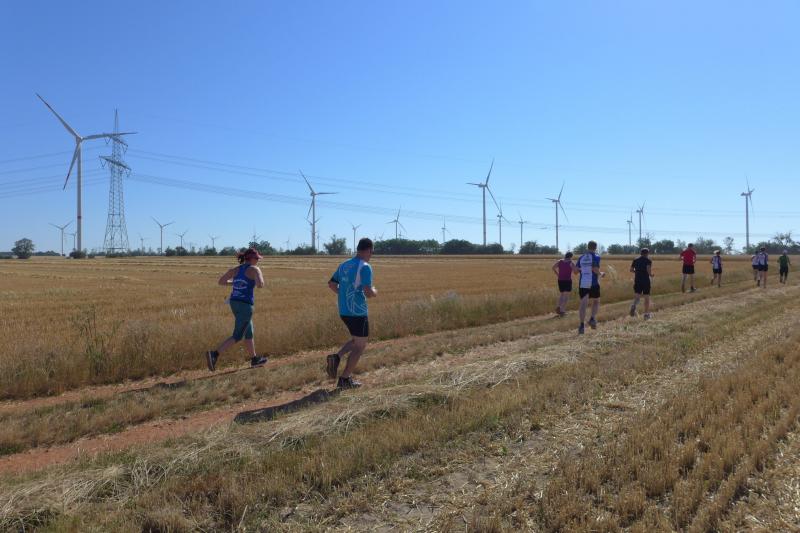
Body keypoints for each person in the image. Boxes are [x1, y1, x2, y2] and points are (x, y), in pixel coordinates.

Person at [326, 238, 377, 389]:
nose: (371, 255)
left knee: (356, 339)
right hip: (358, 312)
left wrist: (344, 295)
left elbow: (331, 284)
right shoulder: (365, 267)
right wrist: (374, 292)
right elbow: (368, 292)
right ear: (368, 250)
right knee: (360, 346)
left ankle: (336, 357)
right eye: (372, 252)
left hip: (343, 310)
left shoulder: (344, 265)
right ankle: (344, 379)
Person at [206, 248, 268, 371]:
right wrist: (257, 276)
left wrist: (235, 283)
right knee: (238, 335)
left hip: (234, 303)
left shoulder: (236, 269)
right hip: (245, 306)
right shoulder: (254, 269)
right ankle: (214, 354)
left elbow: (221, 281)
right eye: (257, 258)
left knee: (249, 332)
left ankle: (254, 359)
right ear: (251, 259)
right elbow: (260, 285)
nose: (258, 260)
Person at [575, 241, 602, 335]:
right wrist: (601, 274)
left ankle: (581, 325)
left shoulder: (581, 257)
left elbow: (575, 271)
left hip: (583, 283)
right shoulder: (596, 257)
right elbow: (595, 269)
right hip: (593, 283)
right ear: (595, 247)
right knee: (596, 301)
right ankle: (592, 318)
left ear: (588, 247)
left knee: (583, 304)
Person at [630, 248, 654, 319]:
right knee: (646, 297)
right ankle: (646, 315)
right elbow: (648, 270)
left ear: (641, 253)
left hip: (637, 280)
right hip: (645, 280)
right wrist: (651, 275)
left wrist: (637, 271)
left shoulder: (635, 260)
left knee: (637, 296)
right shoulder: (648, 260)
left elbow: (631, 270)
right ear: (647, 253)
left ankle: (634, 305)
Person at [552, 252, 575, 317]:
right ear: (571, 257)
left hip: (560, 280)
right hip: (567, 280)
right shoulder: (571, 262)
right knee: (566, 295)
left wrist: (557, 274)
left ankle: (558, 306)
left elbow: (553, 267)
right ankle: (562, 310)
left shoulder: (559, 261)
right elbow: (575, 270)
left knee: (562, 294)